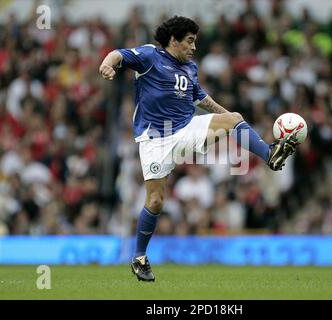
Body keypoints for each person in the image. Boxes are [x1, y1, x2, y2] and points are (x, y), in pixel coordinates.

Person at [99, 16, 297, 282]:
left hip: (185, 130)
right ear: (174, 40)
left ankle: (270, 154)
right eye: (190, 41)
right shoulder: (149, 56)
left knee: (234, 118)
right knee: (155, 202)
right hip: (155, 140)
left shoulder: (190, 68)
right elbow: (117, 55)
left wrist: (232, 120)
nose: (193, 47)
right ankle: (139, 258)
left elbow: (201, 99)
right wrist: (106, 64)